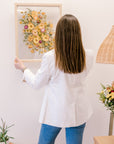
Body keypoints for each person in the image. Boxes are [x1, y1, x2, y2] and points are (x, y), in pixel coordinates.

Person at [14, 14, 93, 144]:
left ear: (59, 34)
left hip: (55, 112)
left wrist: (23, 68)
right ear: (78, 32)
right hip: (78, 112)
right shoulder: (88, 55)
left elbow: (36, 83)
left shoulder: (51, 57)